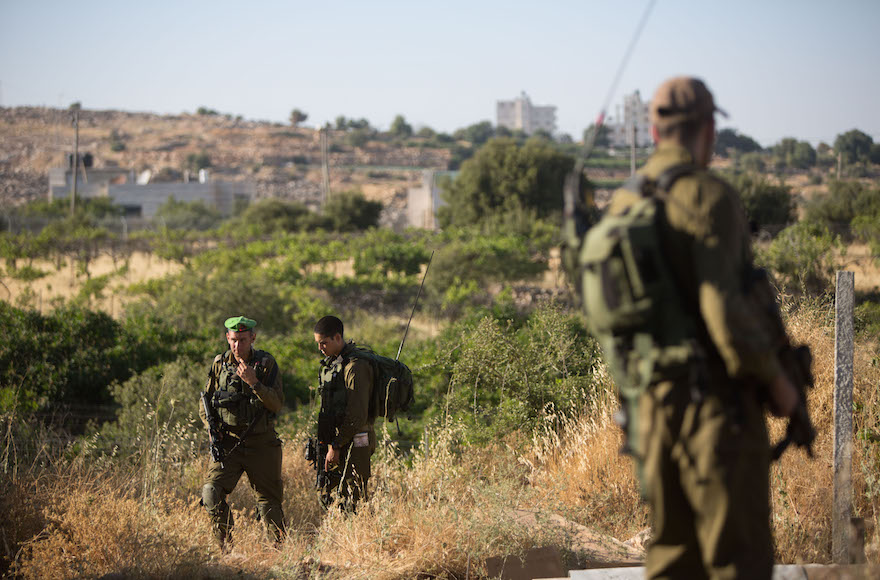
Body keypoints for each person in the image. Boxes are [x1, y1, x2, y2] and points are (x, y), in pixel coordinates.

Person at [602, 77, 799, 579]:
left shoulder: (624, 203)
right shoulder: (708, 196)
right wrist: (779, 384)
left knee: (672, 557)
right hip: (715, 410)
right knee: (738, 560)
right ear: (710, 129)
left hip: (650, 408)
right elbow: (724, 313)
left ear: (653, 130)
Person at [199, 315, 285, 549]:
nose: (238, 346)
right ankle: (226, 549)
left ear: (253, 338)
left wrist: (254, 383)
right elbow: (205, 402)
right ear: (227, 337)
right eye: (234, 340)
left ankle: (279, 553)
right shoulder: (219, 364)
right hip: (228, 444)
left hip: (261, 444)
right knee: (211, 492)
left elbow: (276, 404)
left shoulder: (266, 364)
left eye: (243, 340)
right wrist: (211, 429)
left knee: (269, 503)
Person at [313, 315, 376, 511]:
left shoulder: (355, 367)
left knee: (355, 498)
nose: (320, 348)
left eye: (324, 343)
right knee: (333, 496)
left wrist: (336, 445)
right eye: (318, 343)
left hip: (357, 440)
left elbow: (357, 415)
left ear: (338, 338)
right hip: (340, 439)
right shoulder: (335, 363)